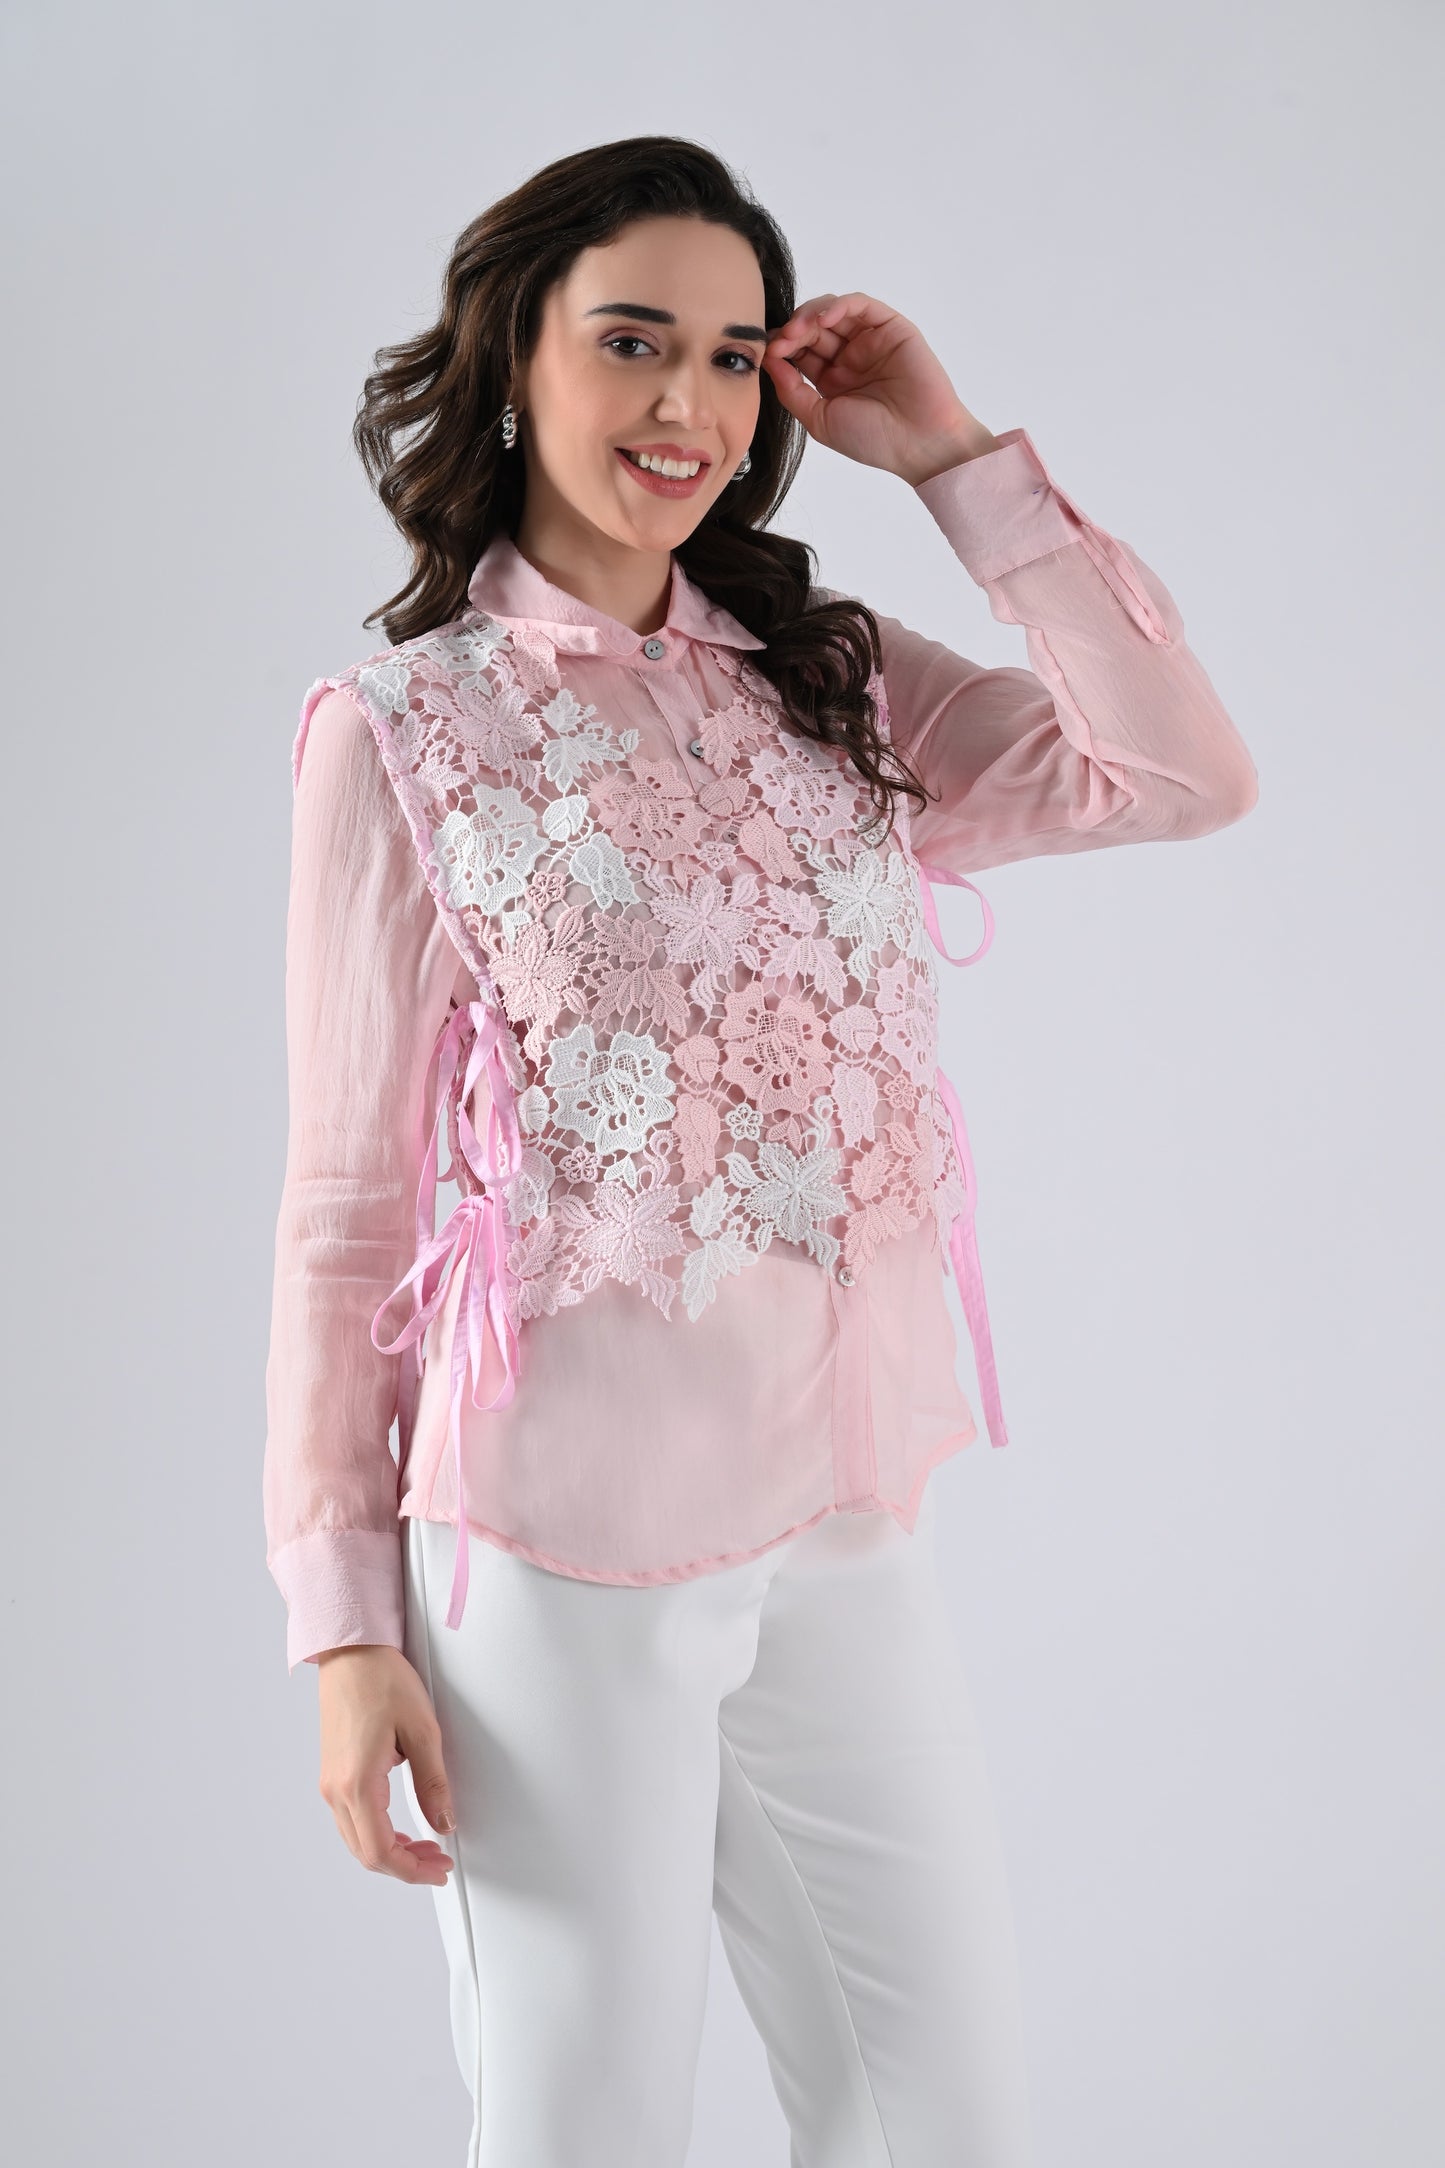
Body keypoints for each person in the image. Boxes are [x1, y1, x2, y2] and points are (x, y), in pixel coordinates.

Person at [262, 134, 1258, 2167]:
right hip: (553, 1544)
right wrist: (345, 1625)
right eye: (633, 341)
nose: (690, 405)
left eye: (730, 357)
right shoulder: (406, 728)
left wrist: (954, 459)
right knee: (586, 2129)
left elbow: (1176, 774)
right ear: (514, 357)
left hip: (836, 1524)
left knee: (940, 2114)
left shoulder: (835, 679)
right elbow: (342, 1214)